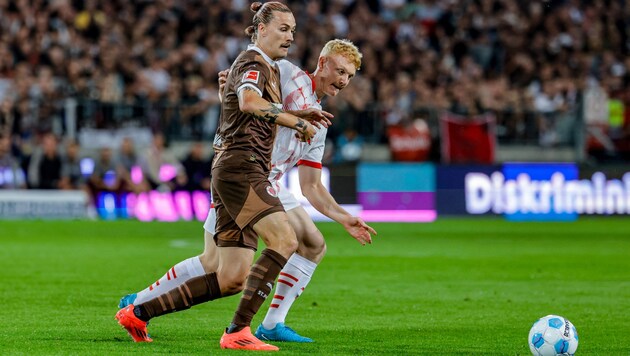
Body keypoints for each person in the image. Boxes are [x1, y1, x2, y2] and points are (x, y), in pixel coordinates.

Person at [118, 38, 376, 344]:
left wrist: (344, 218)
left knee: (309, 244)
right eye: (340, 70)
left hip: (268, 182)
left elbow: (311, 186)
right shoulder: (286, 73)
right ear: (322, 63)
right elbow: (248, 76)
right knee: (224, 262)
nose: (344, 80)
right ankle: (231, 326)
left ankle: (267, 323)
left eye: (349, 76)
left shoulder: (319, 125)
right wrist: (232, 82)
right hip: (242, 170)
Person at [115, 2, 317, 352]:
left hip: (234, 169)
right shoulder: (253, 61)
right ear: (261, 29)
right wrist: (297, 122)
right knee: (285, 240)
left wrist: (297, 112)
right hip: (243, 168)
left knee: (232, 278)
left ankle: (138, 312)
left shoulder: (261, 65)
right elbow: (250, 103)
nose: (290, 37)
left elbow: (248, 108)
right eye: (284, 28)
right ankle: (238, 331)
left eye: (293, 31)